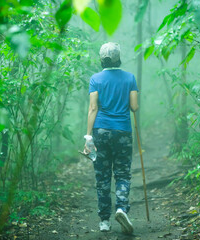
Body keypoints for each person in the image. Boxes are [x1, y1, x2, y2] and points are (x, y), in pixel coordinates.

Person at [83, 42, 139, 234]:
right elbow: (134, 107)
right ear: (119, 58)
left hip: (101, 132)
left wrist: (88, 137)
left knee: (103, 177)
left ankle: (104, 221)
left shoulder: (95, 79)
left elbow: (93, 108)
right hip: (123, 131)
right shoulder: (130, 78)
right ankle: (122, 208)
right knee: (123, 174)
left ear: (102, 59)